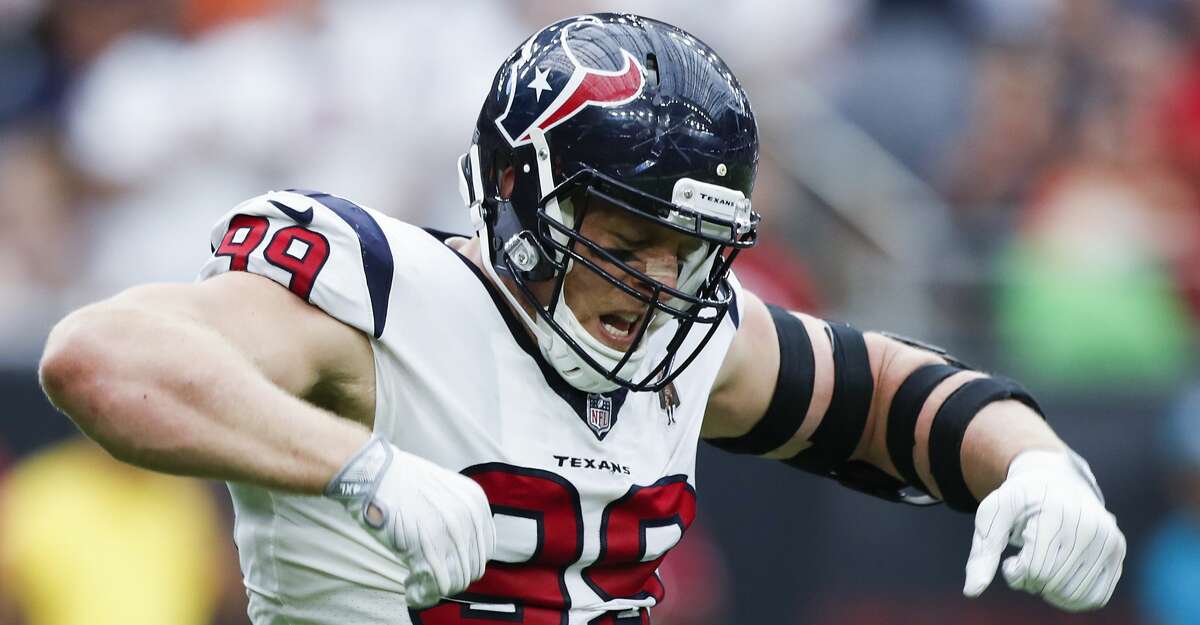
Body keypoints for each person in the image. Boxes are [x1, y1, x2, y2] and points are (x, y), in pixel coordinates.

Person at [37, 13, 1126, 624]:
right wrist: (358, 467)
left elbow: (883, 394)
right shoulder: (378, 296)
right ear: (516, 195)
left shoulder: (692, 339)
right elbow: (101, 357)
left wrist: (1036, 463)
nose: (657, 283)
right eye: (626, 238)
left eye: (687, 251)